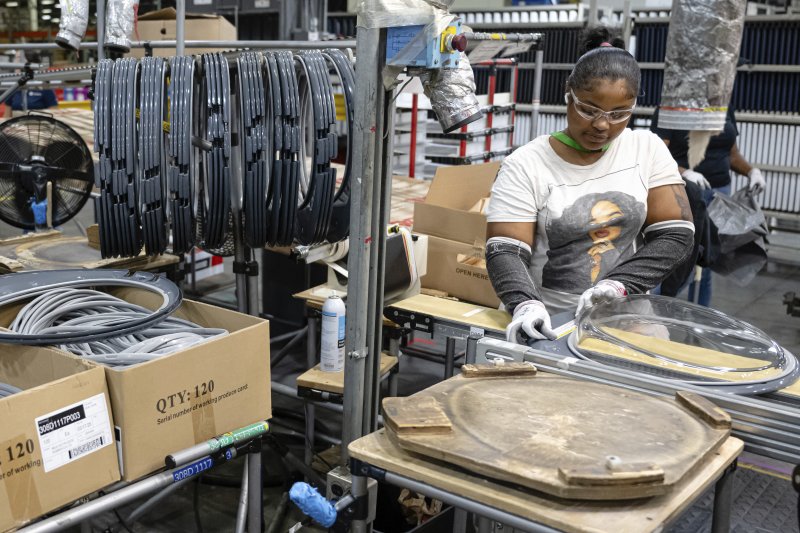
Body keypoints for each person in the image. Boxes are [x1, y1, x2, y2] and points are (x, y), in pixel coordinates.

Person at [485, 27, 696, 343]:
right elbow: (506, 248)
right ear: (568, 93)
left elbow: (675, 234)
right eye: (588, 110)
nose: (601, 125)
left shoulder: (646, 149)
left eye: (619, 114)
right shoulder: (526, 164)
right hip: (548, 320)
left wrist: (618, 285)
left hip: (628, 318)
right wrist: (525, 303)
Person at [650, 105, 765, 306]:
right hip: (685, 192)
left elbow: (732, 154)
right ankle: (652, 309)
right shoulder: (672, 106)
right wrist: (683, 172)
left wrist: (751, 171)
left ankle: (698, 319)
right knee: (681, 263)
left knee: (707, 262)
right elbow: (655, 155)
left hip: (720, 194)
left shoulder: (723, 106)